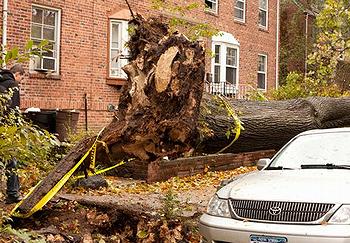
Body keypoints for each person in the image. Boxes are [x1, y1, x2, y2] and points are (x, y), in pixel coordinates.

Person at [0, 64, 25, 204]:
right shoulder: (12, 86)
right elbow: (14, 110)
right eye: (21, 77)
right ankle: (13, 194)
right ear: (17, 74)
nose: (20, 81)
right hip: (7, 129)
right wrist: (15, 130)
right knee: (11, 162)